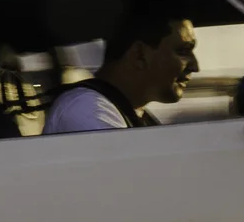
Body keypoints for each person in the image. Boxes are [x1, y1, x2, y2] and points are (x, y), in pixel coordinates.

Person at [43, 10, 199, 134]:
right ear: (139, 54)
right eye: (184, 51)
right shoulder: (86, 108)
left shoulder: (128, 112)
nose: (195, 67)